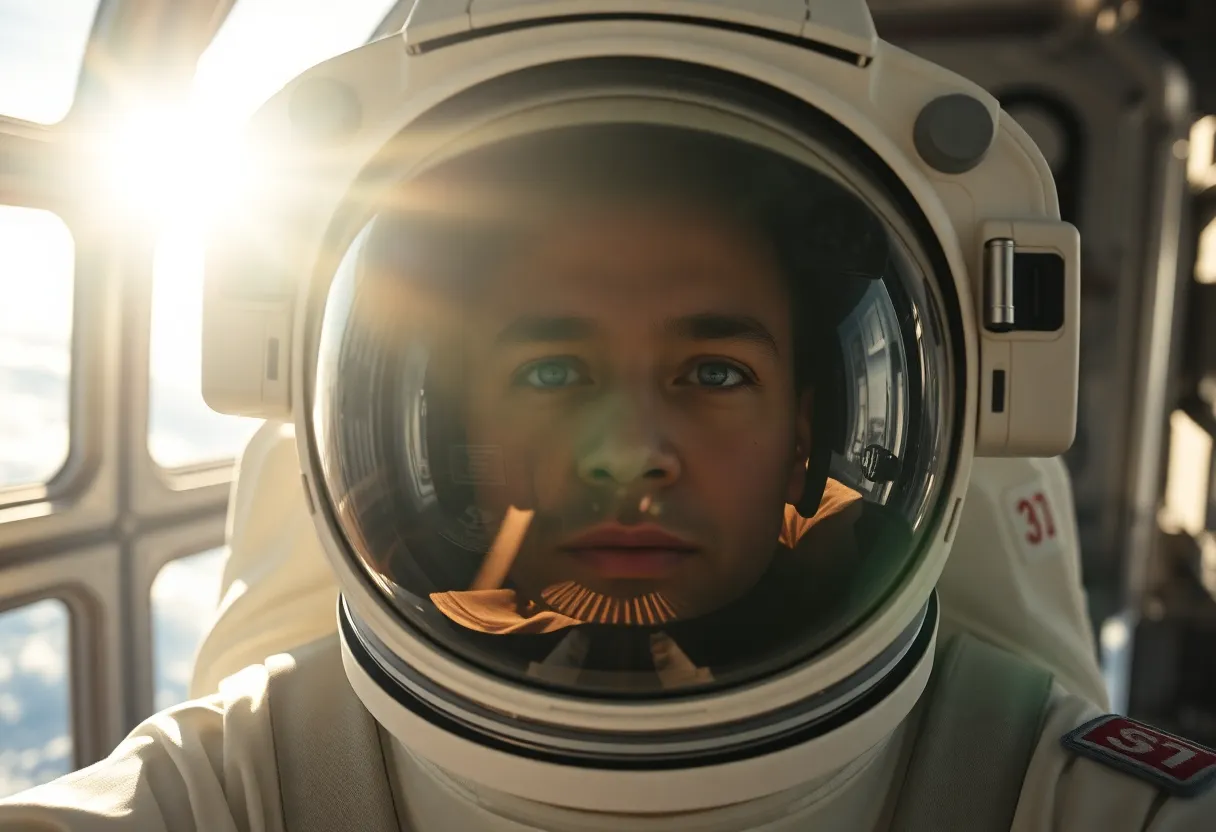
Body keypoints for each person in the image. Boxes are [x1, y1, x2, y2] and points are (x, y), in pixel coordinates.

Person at [2, 3, 1210, 830]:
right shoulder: (247, 778)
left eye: (715, 372)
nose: (631, 452)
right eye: (550, 373)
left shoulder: (1035, 783)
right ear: (454, 420)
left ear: (807, 430)